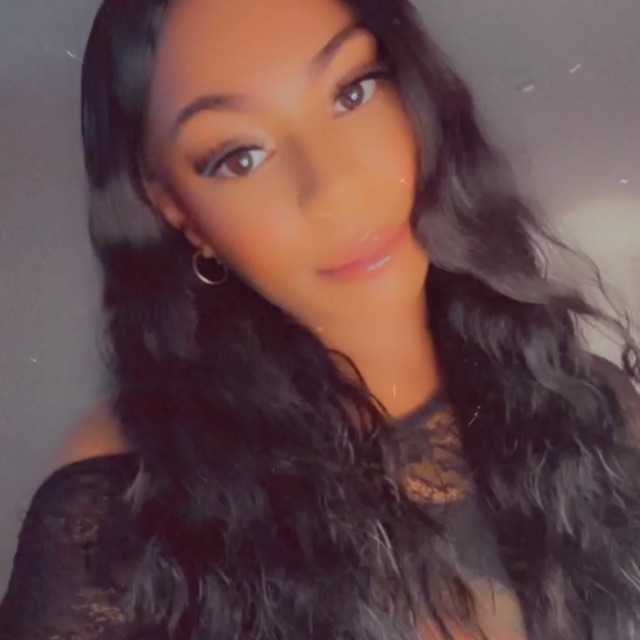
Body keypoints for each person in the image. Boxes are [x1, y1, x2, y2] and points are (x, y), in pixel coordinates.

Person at [2, 0, 640, 638]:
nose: (333, 189)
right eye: (240, 157)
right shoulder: (123, 508)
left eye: (352, 92)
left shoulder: (589, 403)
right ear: (181, 213)